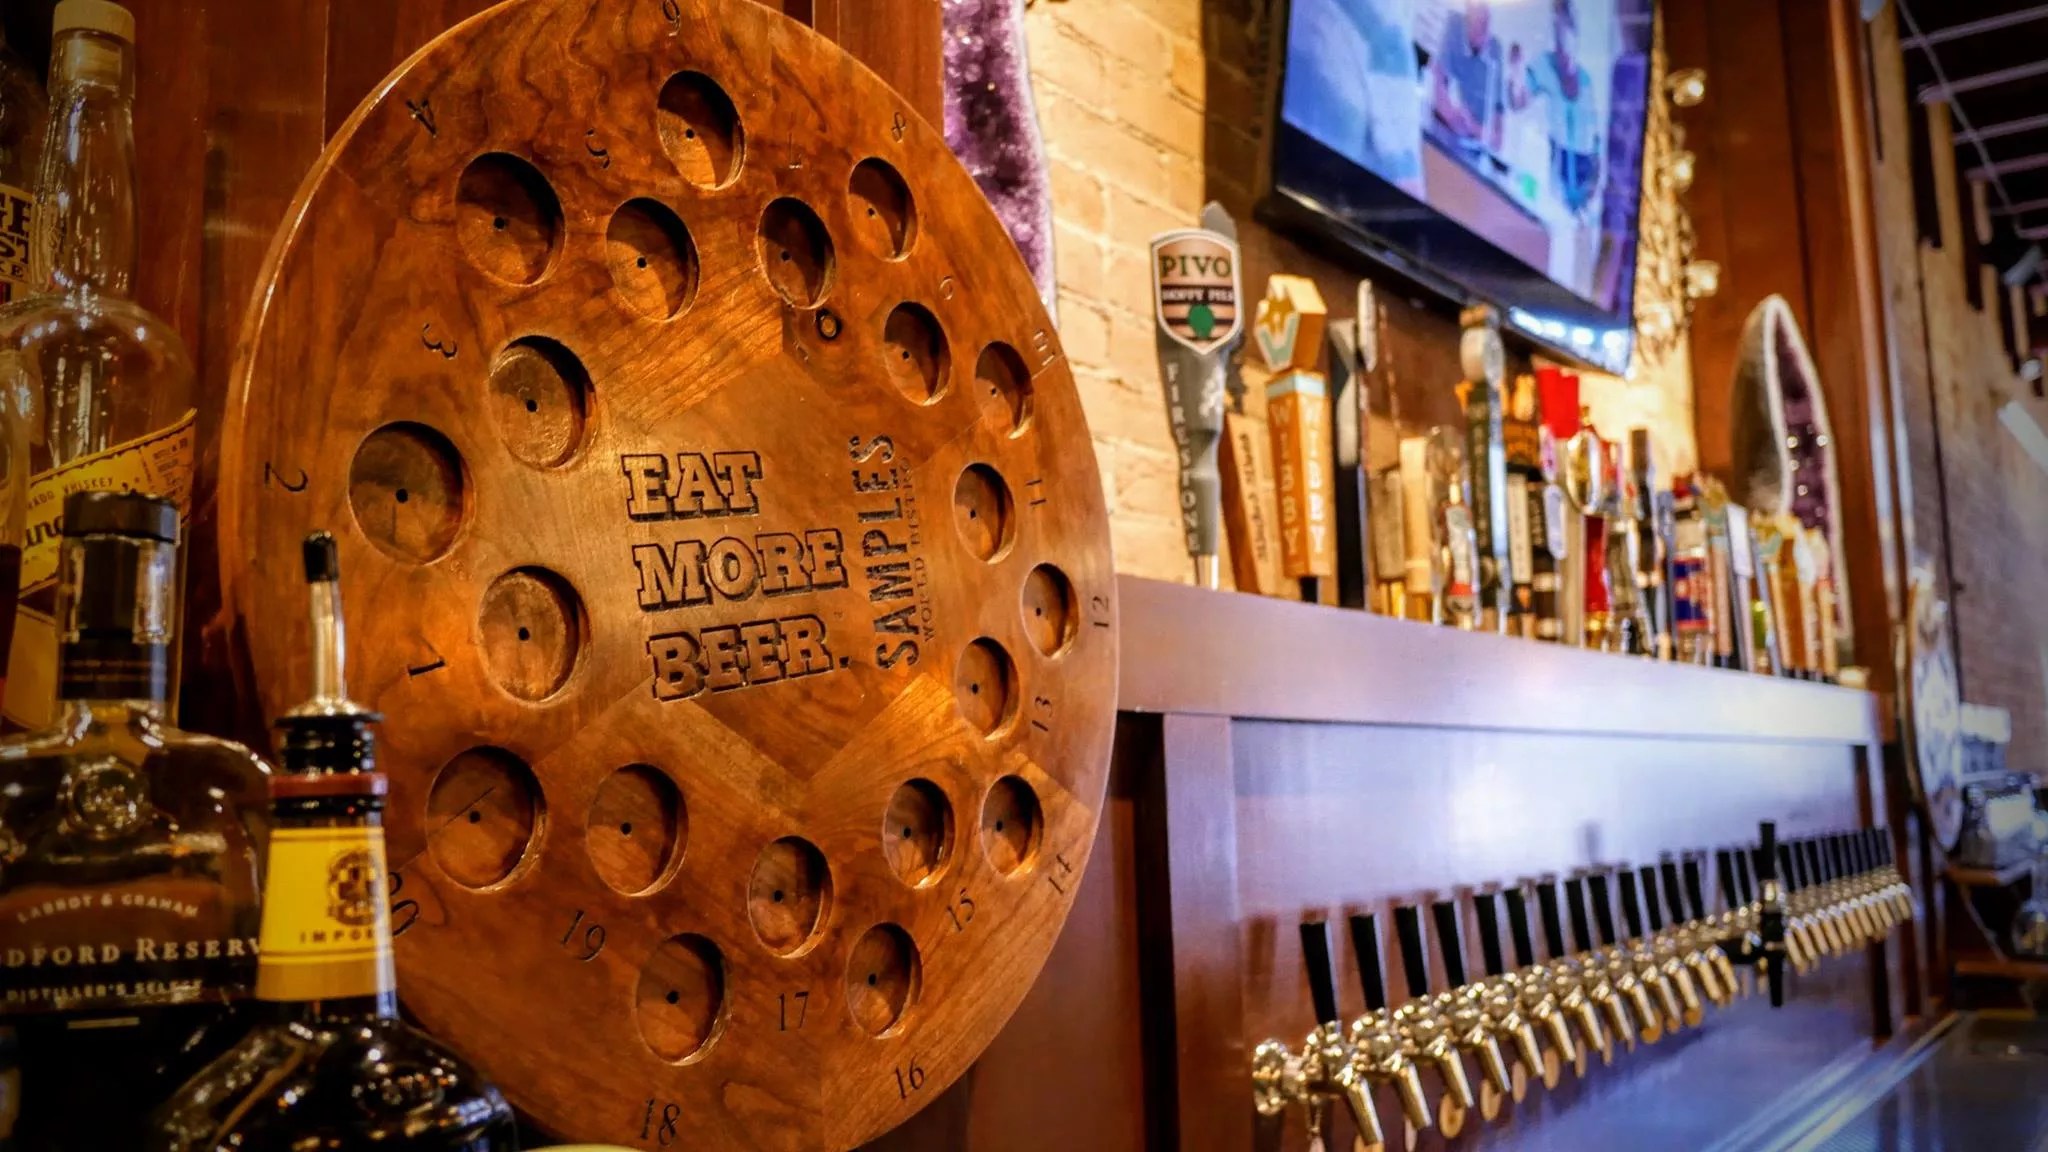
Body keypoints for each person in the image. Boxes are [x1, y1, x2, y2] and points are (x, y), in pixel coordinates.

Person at [1509, 0, 1603, 219]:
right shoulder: (1544, 65)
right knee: (1554, 214)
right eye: (1557, 25)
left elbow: (1596, 143)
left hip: (1585, 169)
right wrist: (1516, 72)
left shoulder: (1587, 80)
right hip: (1558, 161)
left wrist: (1593, 186)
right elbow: (1518, 101)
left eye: (1566, 26)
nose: (1563, 43)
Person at [1430, 0, 1505, 160]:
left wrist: (1471, 126)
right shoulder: (1454, 25)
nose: (1484, 26)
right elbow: (1437, 89)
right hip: (1442, 137)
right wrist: (1453, 116)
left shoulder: (1495, 51)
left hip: (1473, 154)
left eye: (1487, 18)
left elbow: (1497, 141)